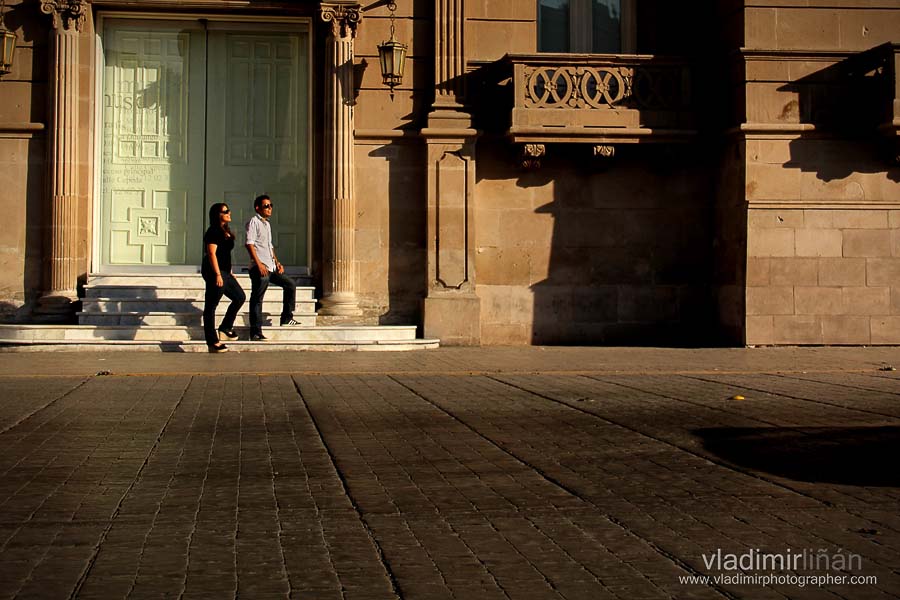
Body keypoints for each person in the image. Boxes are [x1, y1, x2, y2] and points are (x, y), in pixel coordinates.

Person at [246, 194, 298, 341]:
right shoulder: (253, 222)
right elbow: (249, 244)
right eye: (266, 206)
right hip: (259, 268)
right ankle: (255, 332)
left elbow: (269, 247)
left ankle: (287, 318)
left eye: (271, 206)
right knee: (257, 299)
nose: (270, 208)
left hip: (271, 267)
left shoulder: (267, 224)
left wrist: (277, 262)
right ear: (258, 208)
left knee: (290, 284)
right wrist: (259, 264)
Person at [201, 202, 245, 353]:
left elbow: (225, 254)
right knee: (211, 307)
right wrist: (218, 274)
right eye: (225, 211)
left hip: (226, 271)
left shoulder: (225, 230)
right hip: (214, 272)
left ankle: (225, 328)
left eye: (228, 210)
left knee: (240, 297)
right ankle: (212, 342)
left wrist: (230, 272)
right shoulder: (213, 231)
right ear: (217, 215)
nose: (229, 213)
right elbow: (212, 253)